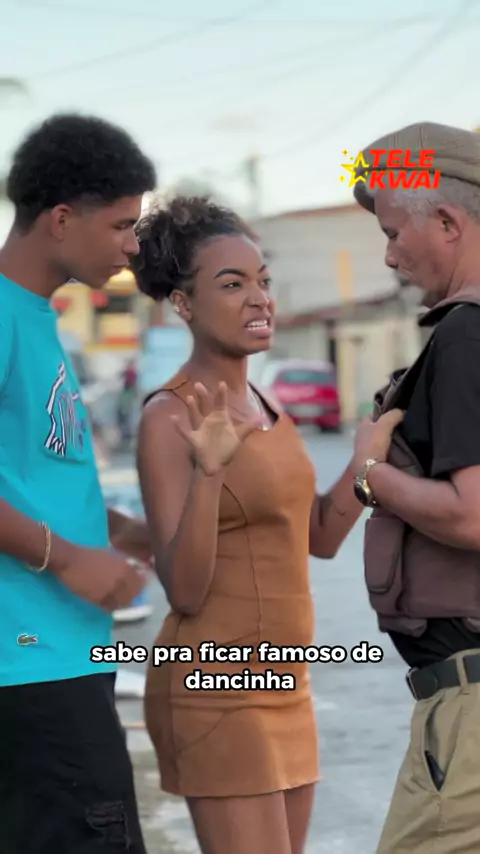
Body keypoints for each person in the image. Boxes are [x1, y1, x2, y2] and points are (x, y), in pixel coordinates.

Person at [131, 195, 401, 854]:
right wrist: (209, 473)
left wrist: (365, 460)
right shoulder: (169, 417)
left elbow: (319, 536)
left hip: (286, 684)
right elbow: (184, 590)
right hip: (215, 686)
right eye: (232, 284)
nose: (259, 299)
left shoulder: (267, 404)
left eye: (263, 281)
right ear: (183, 303)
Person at [0, 113, 156, 854]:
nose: (133, 245)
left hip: (65, 654)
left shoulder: (37, 320)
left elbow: (31, 475)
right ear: (62, 219)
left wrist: (121, 533)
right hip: (27, 661)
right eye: (122, 224)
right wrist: (67, 559)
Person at [351, 121, 480, 854]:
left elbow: (472, 517)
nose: (390, 255)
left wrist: (373, 473)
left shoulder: (466, 336)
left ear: (448, 222)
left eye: (394, 231)